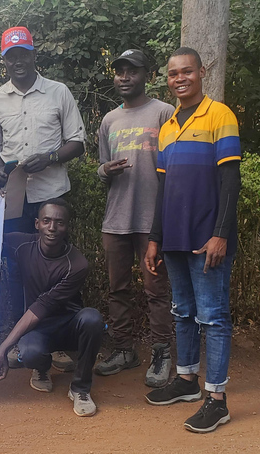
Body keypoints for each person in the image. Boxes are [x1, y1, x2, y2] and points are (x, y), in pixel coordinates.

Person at [144, 47, 241, 433]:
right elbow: (163, 188)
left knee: (213, 317)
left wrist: (221, 234)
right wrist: (155, 239)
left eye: (187, 71)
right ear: (167, 80)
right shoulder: (167, 127)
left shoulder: (220, 115)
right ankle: (186, 380)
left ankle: (217, 400)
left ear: (202, 72)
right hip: (176, 239)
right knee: (182, 311)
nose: (179, 78)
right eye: (172, 74)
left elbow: (230, 180)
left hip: (207, 239)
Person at [0, 27, 85, 371]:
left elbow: (78, 142)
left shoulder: (59, 92)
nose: (18, 61)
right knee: (15, 268)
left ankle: (59, 340)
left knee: (58, 268)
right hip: (14, 198)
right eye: (11, 56)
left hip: (50, 195)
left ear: (33, 55)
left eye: (23, 54)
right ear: (4, 61)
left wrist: (52, 157)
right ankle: (21, 338)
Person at [92, 50, 175, 387]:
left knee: (156, 289)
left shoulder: (164, 112)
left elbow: (176, 165)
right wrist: (103, 170)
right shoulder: (109, 119)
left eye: (131, 71)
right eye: (119, 71)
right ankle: (124, 350)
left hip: (153, 221)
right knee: (117, 289)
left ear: (148, 75)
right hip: (116, 219)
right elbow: (101, 167)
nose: (124, 77)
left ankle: (161, 353)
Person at [0, 198, 104, 417]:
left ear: (67, 226)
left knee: (93, 319)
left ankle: (80, 388)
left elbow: (43, 305)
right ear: (37, 224)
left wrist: (5, 345)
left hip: (69, 326)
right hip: (39, 329)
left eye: (59, 222)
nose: (52, 228)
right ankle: (42, 367)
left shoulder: (77, 263)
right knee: (30, 353)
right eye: (46, 221)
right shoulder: (21, 244)